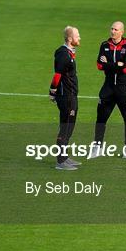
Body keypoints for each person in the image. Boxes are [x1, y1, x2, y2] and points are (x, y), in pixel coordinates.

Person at [90, 21, 126, 160]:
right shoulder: (104, 45)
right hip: (108, 87)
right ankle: (97, 147)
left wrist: (108, 64)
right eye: (112, 29)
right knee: (101, 118)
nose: (113, 31)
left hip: (124, 88)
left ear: (122, 32)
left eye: (116, 29)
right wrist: (117, 64)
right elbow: (99, 65)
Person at [49, 26, 81, 170]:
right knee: (65, 128)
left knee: (70, 127)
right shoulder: (63, 54)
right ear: (69, 39)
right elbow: (57, 75)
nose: (79, 38)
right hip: (66, 97)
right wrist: (53, 91)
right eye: (77, 36)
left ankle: (64, 157)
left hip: (71, 95)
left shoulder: (69, 53)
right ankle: (60, 162)